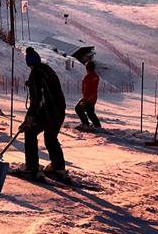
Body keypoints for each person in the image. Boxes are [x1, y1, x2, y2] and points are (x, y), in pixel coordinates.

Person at [17, 47, 67, 180]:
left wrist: (29, 120)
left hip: (47, 112)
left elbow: (36, 100)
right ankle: (58, 167)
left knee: (30, 132)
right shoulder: (48, 70)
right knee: (51, 137)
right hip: (59, 111)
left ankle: (32, 166)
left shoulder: (35, 74)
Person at [75, 60, 101, 130]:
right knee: (88, 112)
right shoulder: (89, 76)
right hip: (87, 98)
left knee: (81, 109)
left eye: (87, 67)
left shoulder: (93, 77)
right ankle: (91, 124)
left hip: (89, 99)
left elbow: (93, 91)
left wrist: (87, 100)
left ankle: (90, 125)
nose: (86, 69)